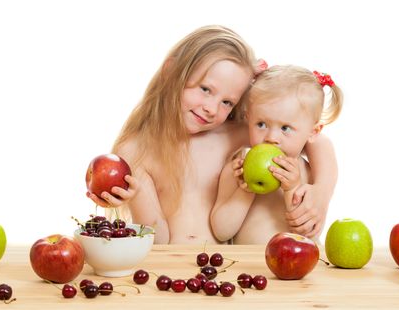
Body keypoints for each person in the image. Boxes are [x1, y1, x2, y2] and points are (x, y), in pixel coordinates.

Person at [87, 25, 338, 244]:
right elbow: (159, 239)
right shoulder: (135, 150)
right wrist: (136, 193)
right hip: (171, 267)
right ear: (171, 72)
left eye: (228, 102)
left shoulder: (234, 134)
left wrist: (321, 192)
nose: (211, 108)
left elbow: (316, 141)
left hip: (224, 270)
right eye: (206, 89)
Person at [210, 65, 343, 244]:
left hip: (298, 265)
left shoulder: (309, 175)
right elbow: (221, 232)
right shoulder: (236, 171)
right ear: (248, 118)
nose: (271, 138)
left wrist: (291, 190)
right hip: (248, 268)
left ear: (313, 131)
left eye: (285, 128)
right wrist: (245, 191)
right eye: (261, 124)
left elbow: (307, 234)